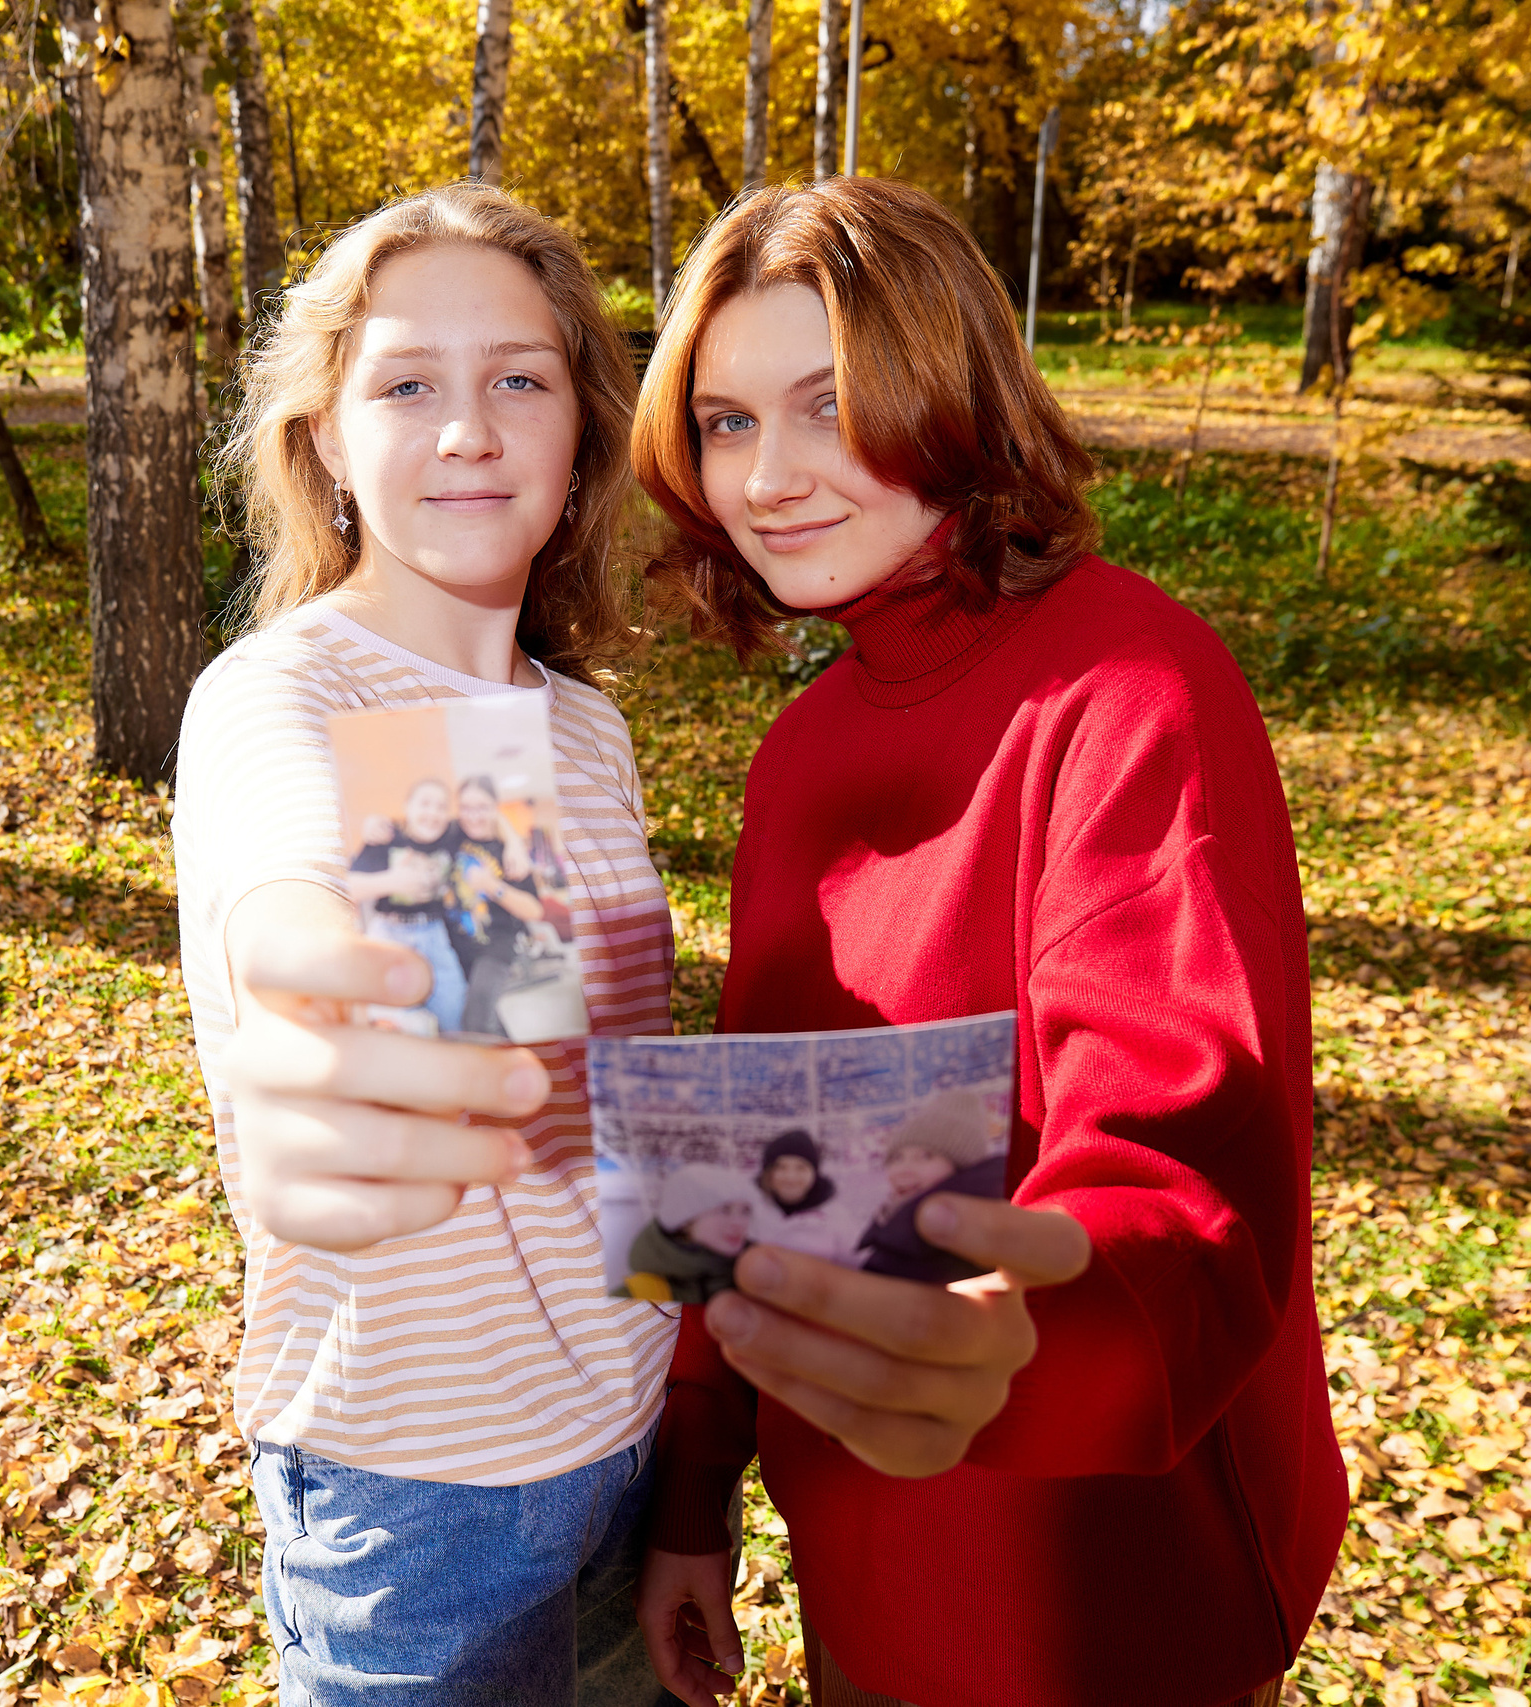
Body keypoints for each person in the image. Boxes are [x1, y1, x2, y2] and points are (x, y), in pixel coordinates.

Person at [627, 178, 1346, 1707]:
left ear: (952, 391)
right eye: (728, 422)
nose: (769, 476)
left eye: (830, 405)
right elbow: (759, 1151)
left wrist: (1035, 1340)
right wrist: (696, 1487)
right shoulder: (803, 751)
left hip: (1103, 1578)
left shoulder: (1133, 683)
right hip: (862, 1546)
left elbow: (1191, 1168)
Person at [171, 182, 677, 1706]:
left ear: (580, 432)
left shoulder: (580, 726)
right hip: (426, 1500)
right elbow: (293, 903)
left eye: (520, 378)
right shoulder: (292, 696)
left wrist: (699, 1448)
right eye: (408, 383)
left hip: (629, 1440)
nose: (469, 428)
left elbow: (577, 1102)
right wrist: (306, 1012)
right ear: (324, 439)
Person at [346, 778, 470, 1034]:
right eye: (425, 804)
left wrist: (513, 845)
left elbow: (490, 817)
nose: (433, 813)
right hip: (389, 933)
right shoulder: (386, 837)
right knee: (396, 1021)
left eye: (441, 807)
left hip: (434, 934)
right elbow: (349, 888)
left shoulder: (453, 835)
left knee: (455, 1012)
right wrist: (392, 881)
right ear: (408, 807)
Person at [852, 1088, 1005, 1284]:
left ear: (961, 1166)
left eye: (926, 1156)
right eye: (897, 1158)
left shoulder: (961, 1237)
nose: (903, 1169)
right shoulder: (895, 1224)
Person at [448, 774, 552, 1034]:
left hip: (496, 947)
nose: (473, 816)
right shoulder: (452, 834)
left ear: (495, 807)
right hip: (456, 946)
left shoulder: (508, 852)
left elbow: (535, 911)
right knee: (486, 1019)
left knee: (476, 1020)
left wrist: (493, 886)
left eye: (482, 807)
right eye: (466, 808)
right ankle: (517, 1067)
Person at [622, 1165, 758, 1304]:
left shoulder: (760, 1282)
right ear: (685, 1221)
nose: (739, 1222)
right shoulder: (633, 1297)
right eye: (725, 1209)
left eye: (745, 1211)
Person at [745, 1131, 854, 1265]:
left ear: (814, 1172)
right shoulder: (749, 1211)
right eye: (781, 1167)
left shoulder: (835, 1217)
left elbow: (856, 1268)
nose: (790, 1177)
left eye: (801, 1168)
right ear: (768, 1172)